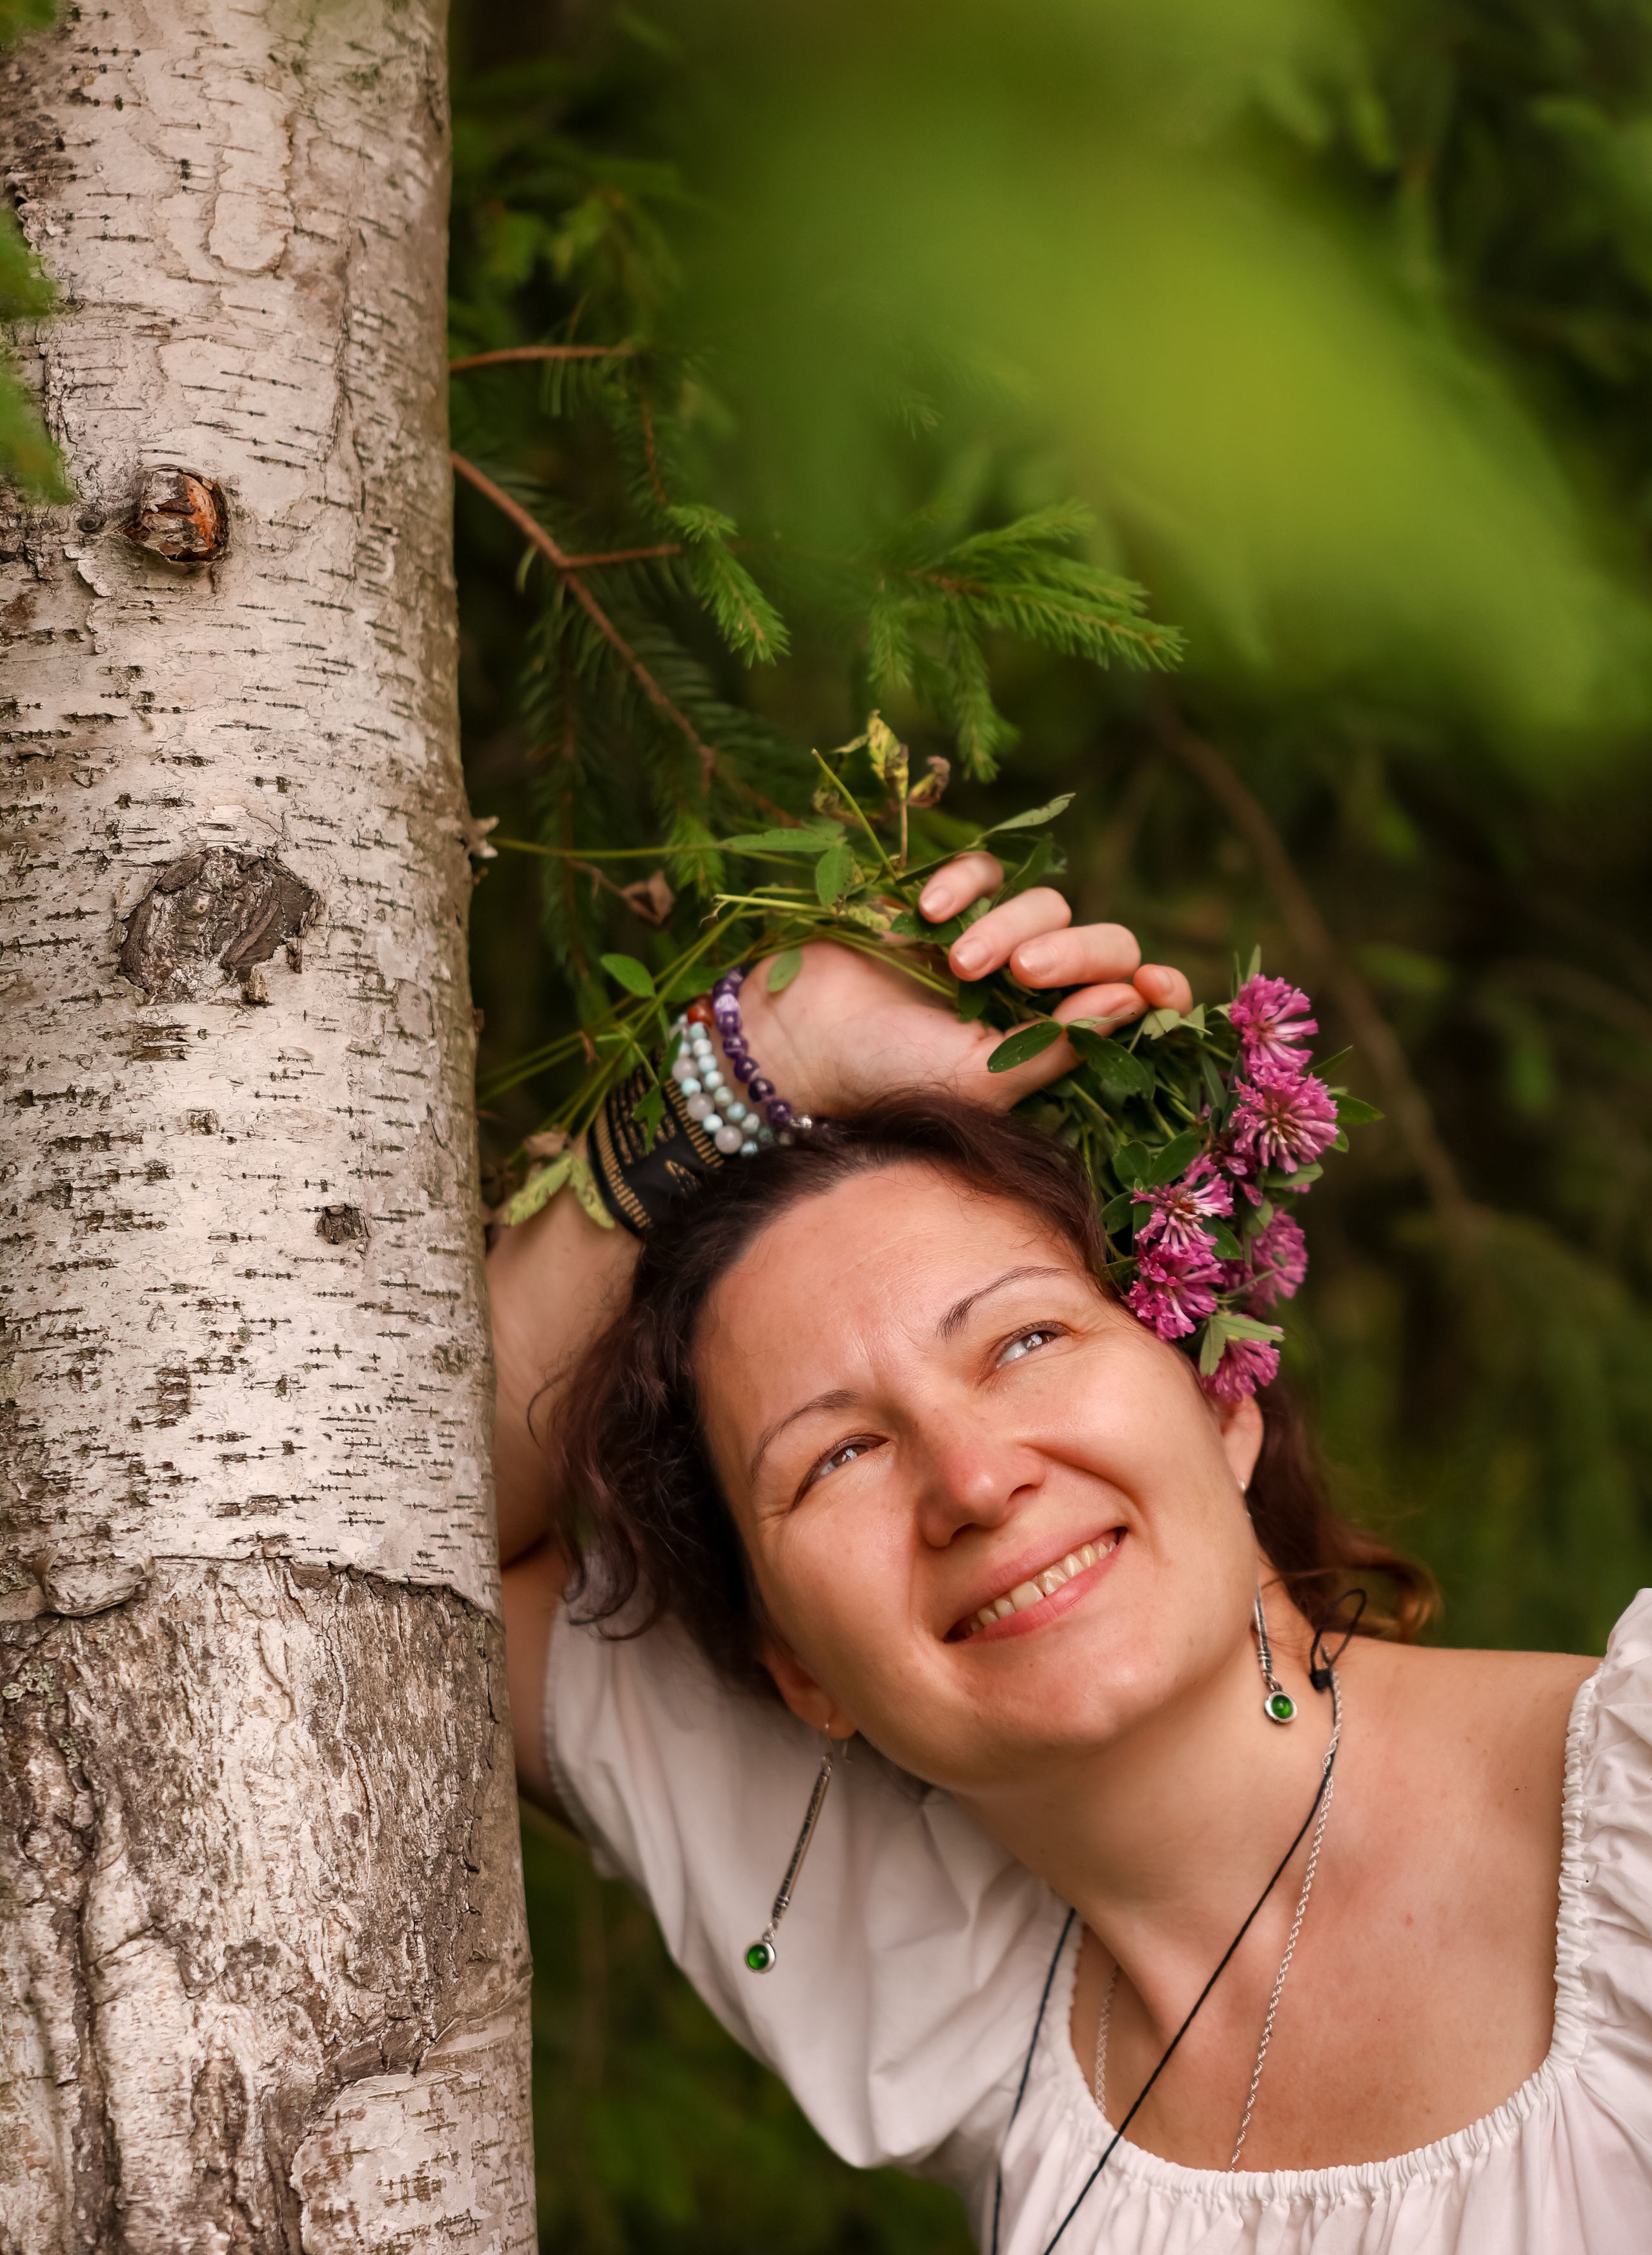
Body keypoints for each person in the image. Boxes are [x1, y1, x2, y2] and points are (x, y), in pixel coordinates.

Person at [491, 853, 1651, 2252]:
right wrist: (760, 1058)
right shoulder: (942, 1972)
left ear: (1219, 1398)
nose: (974, 1482)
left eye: (1025, 1340)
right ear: (799, 1668)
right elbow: (401, 1539)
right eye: (835, 1456)